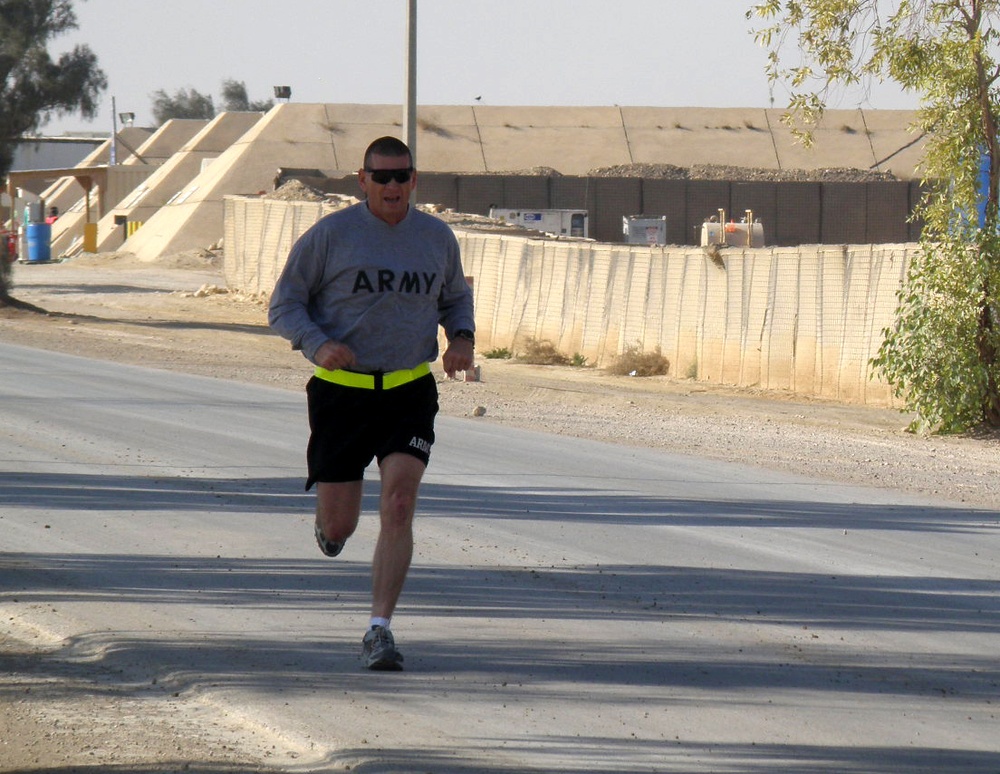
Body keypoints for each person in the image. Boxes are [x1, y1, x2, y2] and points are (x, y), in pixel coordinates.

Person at [268, 136, 475, 671]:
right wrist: (318, 344)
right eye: (380, 177)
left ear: (413, 180)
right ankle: (329, 525)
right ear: (362, 181)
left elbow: (455, 296)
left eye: (401, 176)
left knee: (400, 502)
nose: (391, 186)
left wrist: (461, 338)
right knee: (341, 526)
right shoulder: (331, 236)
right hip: (343, 394)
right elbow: (283, 305)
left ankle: (379, 630)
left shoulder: (435, 237)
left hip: (408, 390)